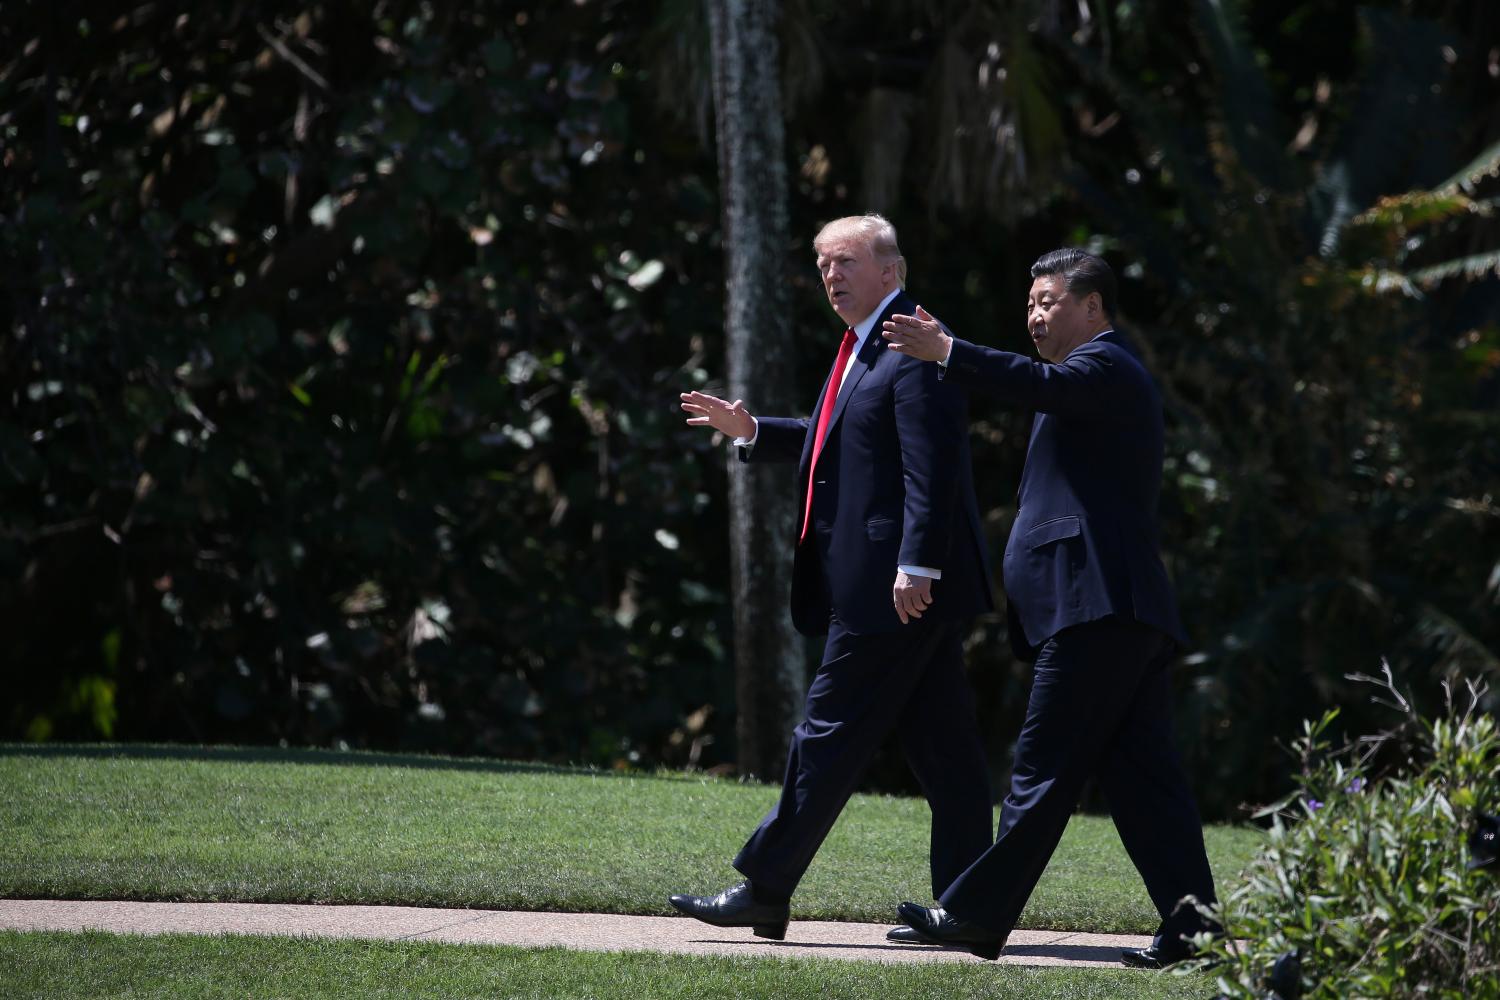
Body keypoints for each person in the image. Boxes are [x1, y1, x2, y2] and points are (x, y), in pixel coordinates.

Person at [881, 248, 1219, 966]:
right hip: (1116, 615)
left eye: (1049, 301)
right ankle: (1194, 929)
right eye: (1029, 303)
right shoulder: (1087, 379)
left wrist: (948, 351)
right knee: (1145, 784)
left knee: (1040, 771)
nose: (1034, 314)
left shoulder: (1105, 367)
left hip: (1098, 611)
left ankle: (973, 913)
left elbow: (1031, 382)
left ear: (1092, 308)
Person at [671, 214, 994, 941]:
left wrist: (917, 565)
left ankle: (764, 887)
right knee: (947, 755)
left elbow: (930, 469)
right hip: (889, 584)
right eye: (822, 264)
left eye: (846, 261)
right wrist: (753, 431)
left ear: (892, 270)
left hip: (894, 589)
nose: (831, 275)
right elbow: (834, 442)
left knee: (825, 736)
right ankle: (973, 907)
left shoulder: (910, 343)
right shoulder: (861, 346)